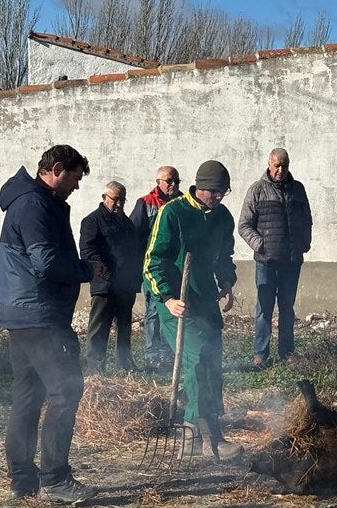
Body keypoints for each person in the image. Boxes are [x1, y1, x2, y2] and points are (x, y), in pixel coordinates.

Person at [0, 144, 103, 504]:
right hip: (39, 313)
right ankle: (55, 480)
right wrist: (88, 271)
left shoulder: (32, 202)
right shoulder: (34, 204)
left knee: (28, 396)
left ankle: (23, 480)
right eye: (74, 178)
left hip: (23, 312)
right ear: (57, 169)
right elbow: (46, 262)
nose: (76, 186)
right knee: (66, 390)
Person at [144, 160, 242, 459]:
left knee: (212, 362)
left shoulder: (222, 217)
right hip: (176, 303)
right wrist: (168, 298)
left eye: (224, 192)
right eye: (216, 192)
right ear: (201, 188)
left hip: (204, 299)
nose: (220, 197)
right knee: (197, 359)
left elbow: (225, 254)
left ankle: (197, 435)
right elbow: (152, 260)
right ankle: (209, 440)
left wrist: (226, 280)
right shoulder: (172, 213)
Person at [238, 148, 313, 368]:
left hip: (291, 261)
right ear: (269, 164)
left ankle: (287, 352)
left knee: (287, 308)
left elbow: (307, 220)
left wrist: (304, 243)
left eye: (285, 165)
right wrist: (260, 245)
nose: (280, 170)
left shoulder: (298, 190)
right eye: (276, 165)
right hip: (266, 263)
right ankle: (260, 354)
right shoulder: (257, 190)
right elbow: (244, 225)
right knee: (264, 308)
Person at [79, 181, 142, 373]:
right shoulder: (92, 221)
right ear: (104, 197)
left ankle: (124, 364)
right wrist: (106, 272)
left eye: (123, 200)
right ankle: (96, 368)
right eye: (115, 199)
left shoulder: (127, 223)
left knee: (124, 327)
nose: (119, 204)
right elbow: (88, 251)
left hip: (125, 285)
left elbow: (134, 251)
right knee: (100, 327)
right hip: (105, 285)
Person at [130, 166, 181, 368]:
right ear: (158, 181)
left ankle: (168, 351)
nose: (173, 185)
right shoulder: (145, 203)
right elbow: (135, 234)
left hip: (174, 267)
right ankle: (153, 352)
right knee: (153, 308)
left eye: (176, 180)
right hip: (152, 266)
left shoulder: (181, 202)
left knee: (171, 309)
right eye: (169, 181)